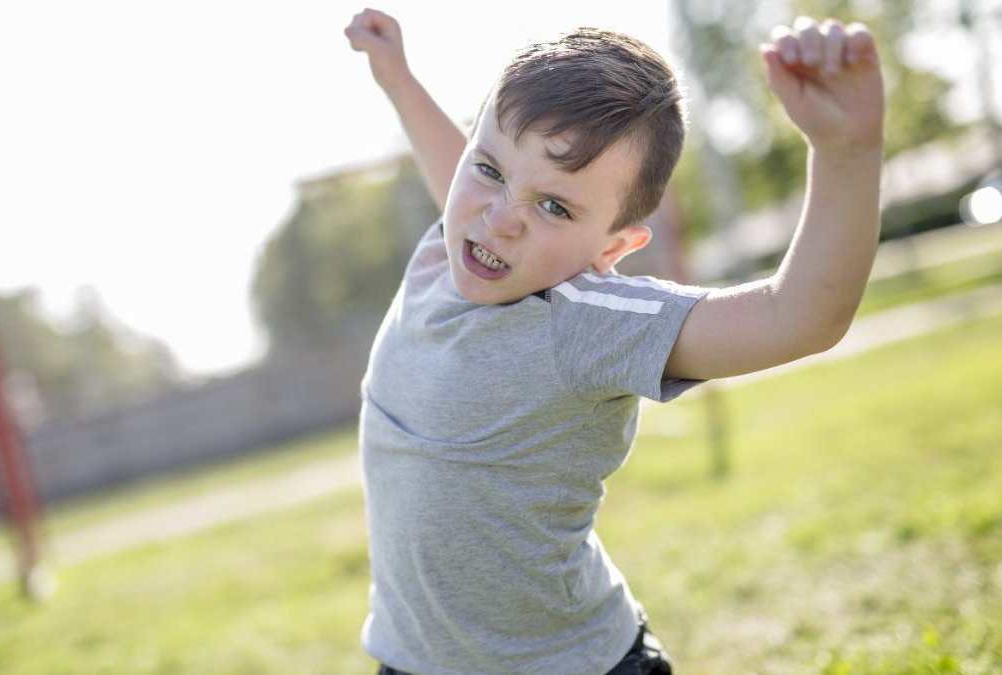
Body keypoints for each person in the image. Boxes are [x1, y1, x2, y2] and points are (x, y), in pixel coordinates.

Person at [344, 7, 884, 674]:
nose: (501, 218)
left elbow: (797, 316)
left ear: (614, 248)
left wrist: (846, 153)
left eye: (554, 207)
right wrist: (397, 77)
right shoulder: (446, 247)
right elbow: (456, 168)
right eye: (489, 169)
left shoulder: (585, 319)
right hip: (413, 662)